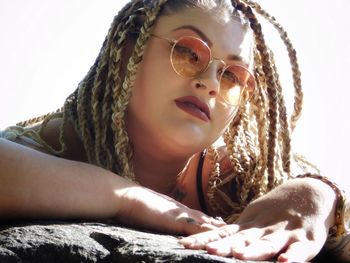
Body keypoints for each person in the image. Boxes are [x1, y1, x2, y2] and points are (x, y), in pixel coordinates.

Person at [0, 0, 349, 261]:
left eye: (232, 77)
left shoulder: (235, 182)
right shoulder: (56, 145)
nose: (211, 84)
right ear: (126, 52)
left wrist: (317, 194)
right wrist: (126, 196)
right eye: (189, 53)